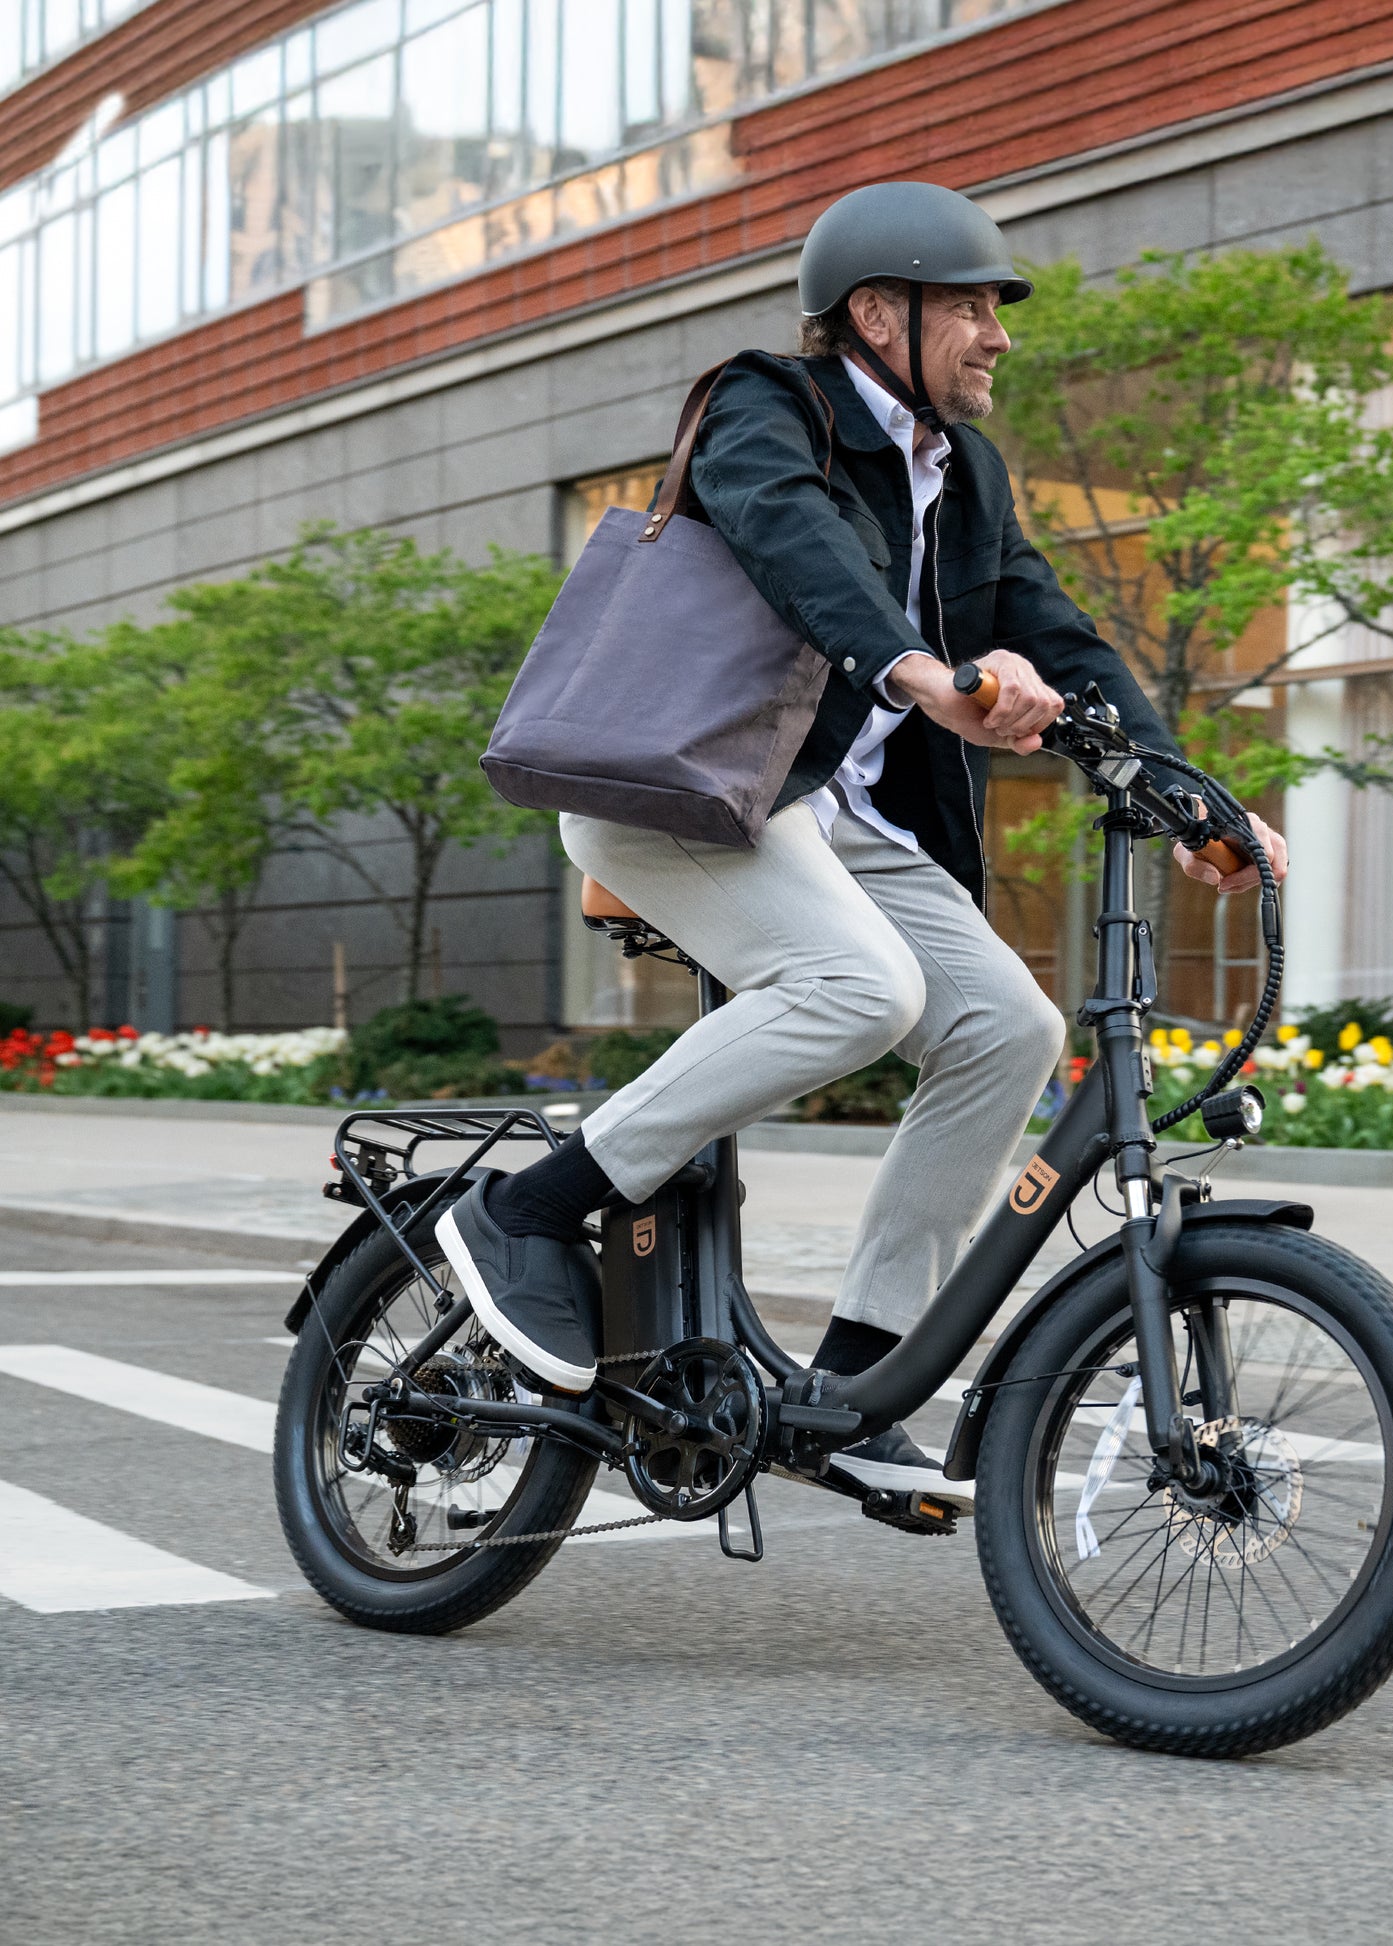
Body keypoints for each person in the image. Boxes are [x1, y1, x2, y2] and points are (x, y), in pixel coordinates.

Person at [439, 181, 1288, 1503]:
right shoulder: (763, 407)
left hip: (844, 821)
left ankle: (857, 1375)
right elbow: (796, 543)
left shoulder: (970, 472)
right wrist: (915, 671)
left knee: (1008, 1028)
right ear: (878, 313)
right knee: (859, 987)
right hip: (688, 788)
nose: (999, 334)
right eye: (971, 307)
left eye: (999, 311)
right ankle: (528, 1210)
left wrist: (1194, 804)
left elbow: (1052, 627)